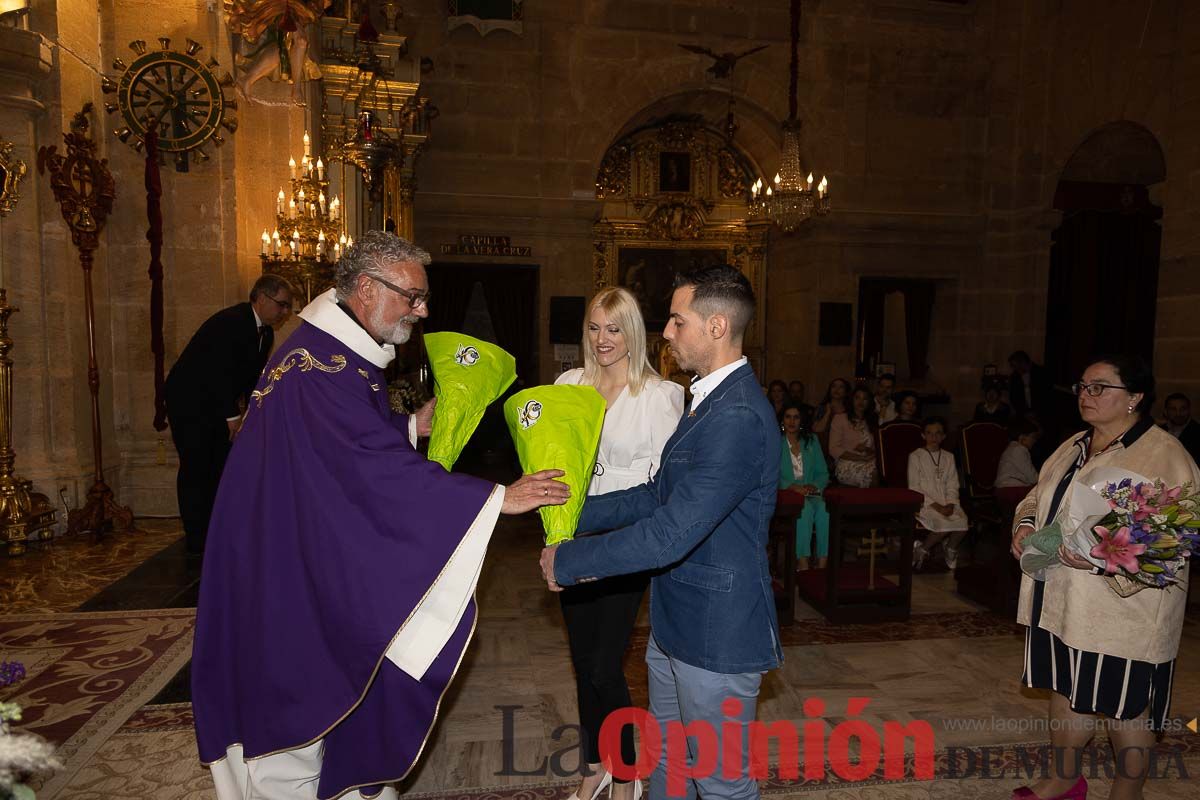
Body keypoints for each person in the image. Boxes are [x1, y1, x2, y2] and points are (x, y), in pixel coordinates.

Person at [191, 232, 571, 800]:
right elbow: (368, 469)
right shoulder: (321, 366)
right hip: (286, 569)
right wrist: (496, 498)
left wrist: (406, 428)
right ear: (366, 288)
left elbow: (341, 446)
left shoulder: (331, 352)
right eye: (412, 296)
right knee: (295, 700)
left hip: (290, 542)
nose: (422, 311)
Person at [539, 264, 782, 800]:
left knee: (720, 781)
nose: (666, 333)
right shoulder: (706, 401)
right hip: (677, 622)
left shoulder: (737, 414)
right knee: (670, 762)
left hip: (716, 633)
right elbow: (655, 494)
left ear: (716, 327)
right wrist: (570, 513)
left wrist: (571, 560)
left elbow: (669, 532)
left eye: (677, 321)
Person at [1009, 356, 1199, 800]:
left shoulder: (1164, 455)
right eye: (1082, 386)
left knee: (1125, 708)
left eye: (1099, 387)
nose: (1085, 395)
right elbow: (1039, 495)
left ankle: (1126, 793)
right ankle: (1064, 779)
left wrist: (1099, 560)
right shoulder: (1075, 443)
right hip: (1059, 598)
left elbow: (1173, 543)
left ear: (1134, 397)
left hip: (1123, 614)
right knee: (1066, 688)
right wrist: (1025, 524)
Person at [553, 287, 684, 800]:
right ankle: (594, 766)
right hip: (572, 534)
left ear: (633, 333)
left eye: (613, 328)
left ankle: (627, 772)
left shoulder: (658, 395)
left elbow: (661, 487)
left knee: (607, 662)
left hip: (626, 542)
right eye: (593, 327)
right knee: (583, 661)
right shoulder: (568, 384)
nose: (602, 339)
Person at [165, 274, 295, 555]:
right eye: (281, 305)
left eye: (288, 307)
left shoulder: (265, 332)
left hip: (214, 402)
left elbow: (250, 380)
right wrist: (233, 418)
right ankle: (197, 540)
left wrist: (255, 412)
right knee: (196, 465)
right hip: (189, 401)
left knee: (218, 464)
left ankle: (216, 531)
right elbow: (217, 373)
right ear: (261, 298)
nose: (285, 312)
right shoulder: (232, 322)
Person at [909, 417, 969, 570]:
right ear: (923, 435)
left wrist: (950, 504)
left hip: (947, 503)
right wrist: (937, 507)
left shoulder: (949, 457)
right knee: (944, 525)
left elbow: (952, 484)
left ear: (943, 436)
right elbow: (914, 487)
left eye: (938, 433)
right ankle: (922, 549)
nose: (933, 437)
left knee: (962, 523)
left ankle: (950, 548)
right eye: (929, 433)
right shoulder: (916, 456)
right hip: (926, 503)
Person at [779, 403, 829, 570]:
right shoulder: (775, 442)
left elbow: (823, 473)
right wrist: (792, 487)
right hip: (787, 492)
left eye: (796, 417)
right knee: (804, 509)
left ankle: (823, 563)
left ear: (801, 420)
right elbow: (771, 475)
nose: (792, 421)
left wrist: (814, 486)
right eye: (788, 417)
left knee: (824, 510)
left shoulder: (812, 440)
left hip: (810, 491)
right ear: (782, 420)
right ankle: (803, 563)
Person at [829, 386, 878, 487]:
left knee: (885, 470)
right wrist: (860, 458)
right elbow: (833, 449)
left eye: (865, 399)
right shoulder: (840, 419)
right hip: (847, 463)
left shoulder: (871, 421)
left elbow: (876, 449)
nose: (861, 401)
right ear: (852, 400)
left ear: (869, 402)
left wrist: (867, 450)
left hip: (869, 461)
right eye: (857, 398)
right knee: (874, 473)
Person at [995, 419, 1041, 488]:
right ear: (1022, 437)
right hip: (1011, 487)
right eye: (1033, 437)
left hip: (1006, 487)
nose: (1034, 441)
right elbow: (1031, 475)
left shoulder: (1012, 448)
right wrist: (1043, 480)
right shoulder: (1019, 449)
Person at [1007, 350, 1051, 420]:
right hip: (1023, 415)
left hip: (1043, 414)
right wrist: (1023, 413)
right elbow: (1014, 397)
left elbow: (1047, 396)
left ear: (1023, 362)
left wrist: (1036, 412)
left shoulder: (1042, 373)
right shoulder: (1014, 377)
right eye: (1013, 366)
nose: (1014, 369)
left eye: (1015, 366)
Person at [1161, 392, 1200, 465]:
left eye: (1183, 409)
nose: (1178, 413)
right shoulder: (1158, 431)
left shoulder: (1198, 433)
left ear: (1189, 410)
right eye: (1173, 409)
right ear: (1166, 411)